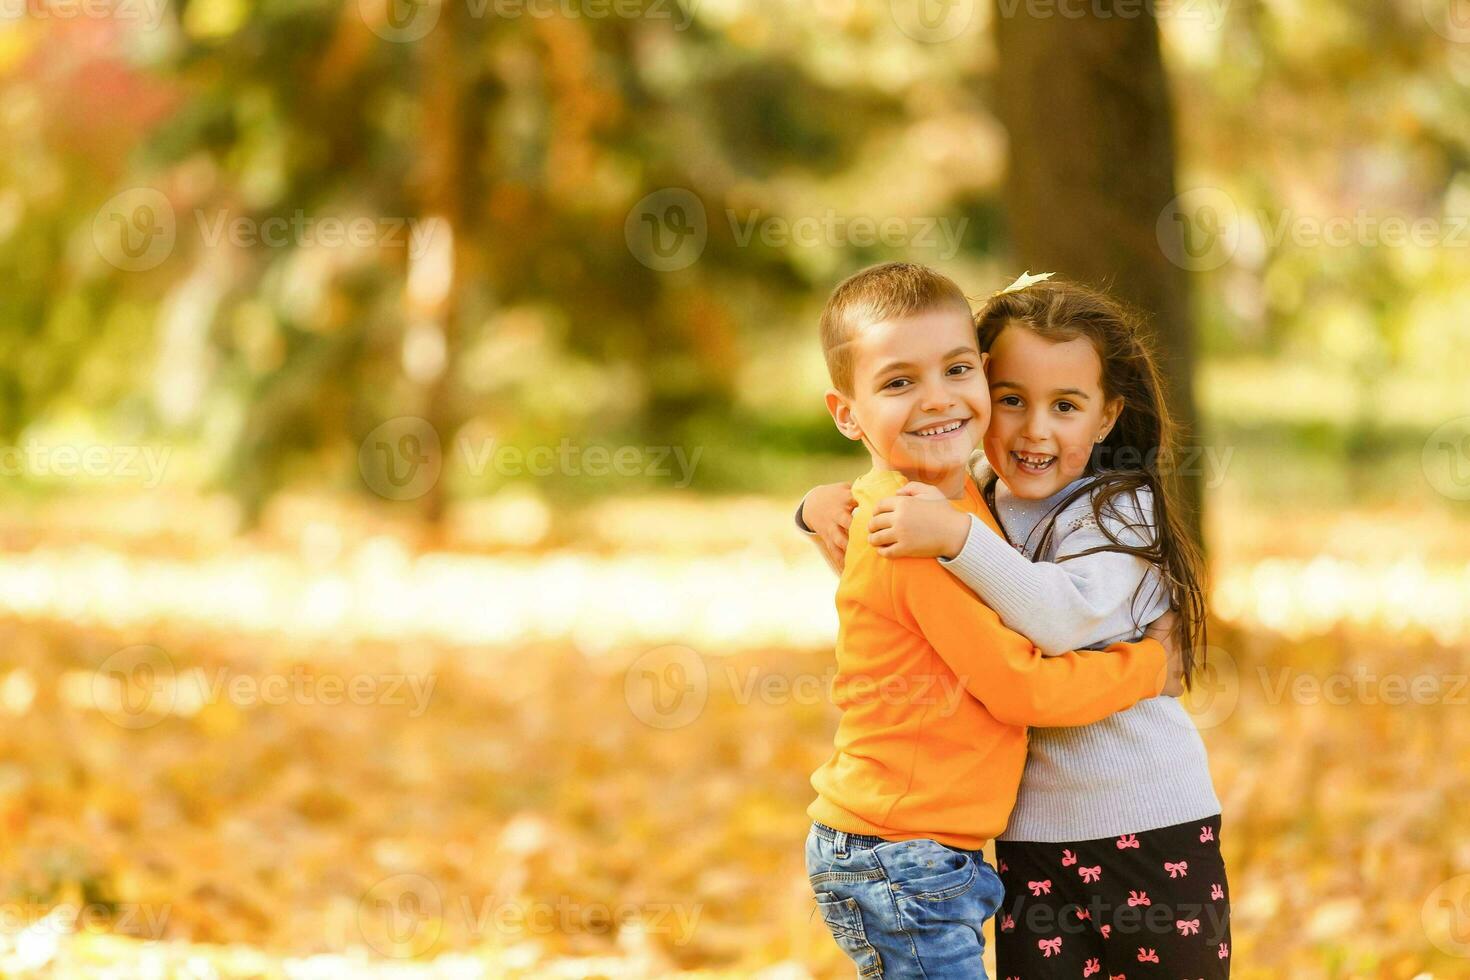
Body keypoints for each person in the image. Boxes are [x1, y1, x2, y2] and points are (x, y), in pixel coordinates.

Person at [801, 274, 1229, 978]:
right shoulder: (962, 500)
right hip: (1025, 834)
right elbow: (912, 567)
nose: (1034, 429)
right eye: (1011, 400)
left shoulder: (1116, 509)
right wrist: (821, 505)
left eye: (1065, 405)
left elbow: (1055, 618)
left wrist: (953, 539)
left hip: (1147, 823)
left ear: (1106, 416)